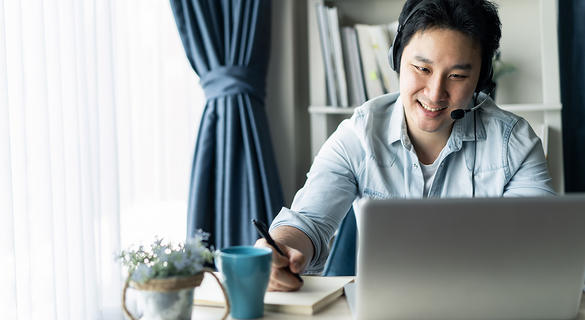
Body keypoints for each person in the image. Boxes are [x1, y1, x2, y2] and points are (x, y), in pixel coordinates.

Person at [256, 0, 555, 292]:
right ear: (397, 58)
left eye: (457, 76)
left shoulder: (513, 143)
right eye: (422, 69)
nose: (436, 93)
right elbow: (307, 222)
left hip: (484, 304)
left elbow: (542, 245)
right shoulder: (359, 135)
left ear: (481, 79)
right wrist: (280, 248)